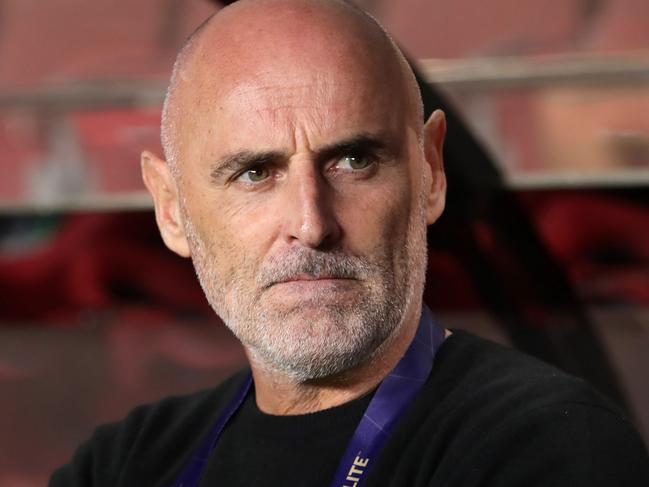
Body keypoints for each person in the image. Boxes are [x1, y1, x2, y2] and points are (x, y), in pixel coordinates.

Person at [50, 0, 649, 485]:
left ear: (431, 171)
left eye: (354, 160)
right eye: (256, 173)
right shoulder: (125, 461)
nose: (312, 224)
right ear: (171, 208)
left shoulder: (546, 446)